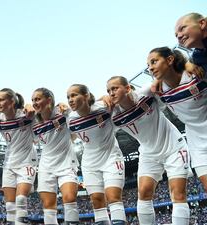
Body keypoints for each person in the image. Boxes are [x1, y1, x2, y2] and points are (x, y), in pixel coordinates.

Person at [107, 76, 190, 225]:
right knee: (144, 193)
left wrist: (162, 80)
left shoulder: (146, 94)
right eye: (108, 91)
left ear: (128, 88)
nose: (111, 93)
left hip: (174, 148)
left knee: (178, 194)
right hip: (148, 154)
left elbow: (171, 78)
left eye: (115, 88)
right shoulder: (113, 116)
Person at [147, 47, 207, 193]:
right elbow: (128, 97)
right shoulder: (158, 89)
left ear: (170, 60)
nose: (150, 68)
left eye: (154, 62)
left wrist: (188, 63)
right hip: (196, 142)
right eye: (148, 65)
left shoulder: (195, 72)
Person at [66, 84, 126, 224]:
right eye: (68, 97)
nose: (70, 99)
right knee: (97, 201)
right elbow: (70, 137)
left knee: (113, 197)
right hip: (89, 163)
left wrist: (106, 97)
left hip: (111, 157)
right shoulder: (70, 119)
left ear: (86, 95)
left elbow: (125, 98)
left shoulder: (103, 107)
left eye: (74, 95)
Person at [31, 87, 79, 225]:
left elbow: (75, 134)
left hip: (66, 163)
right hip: (46, 166)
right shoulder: (33, 122)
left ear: (49, 100)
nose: (34, 102)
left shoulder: (62, 112)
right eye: (33, 100)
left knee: (69, 198)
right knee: (48, 206)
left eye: (38, 99)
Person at [0, 88, 37, 225]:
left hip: (27, 162)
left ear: (12, 101)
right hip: (8, 163)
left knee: (20, 200)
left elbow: (46, 112)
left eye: (1, 100)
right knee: (9, 206)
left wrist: (30, 105)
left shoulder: (28, 116)